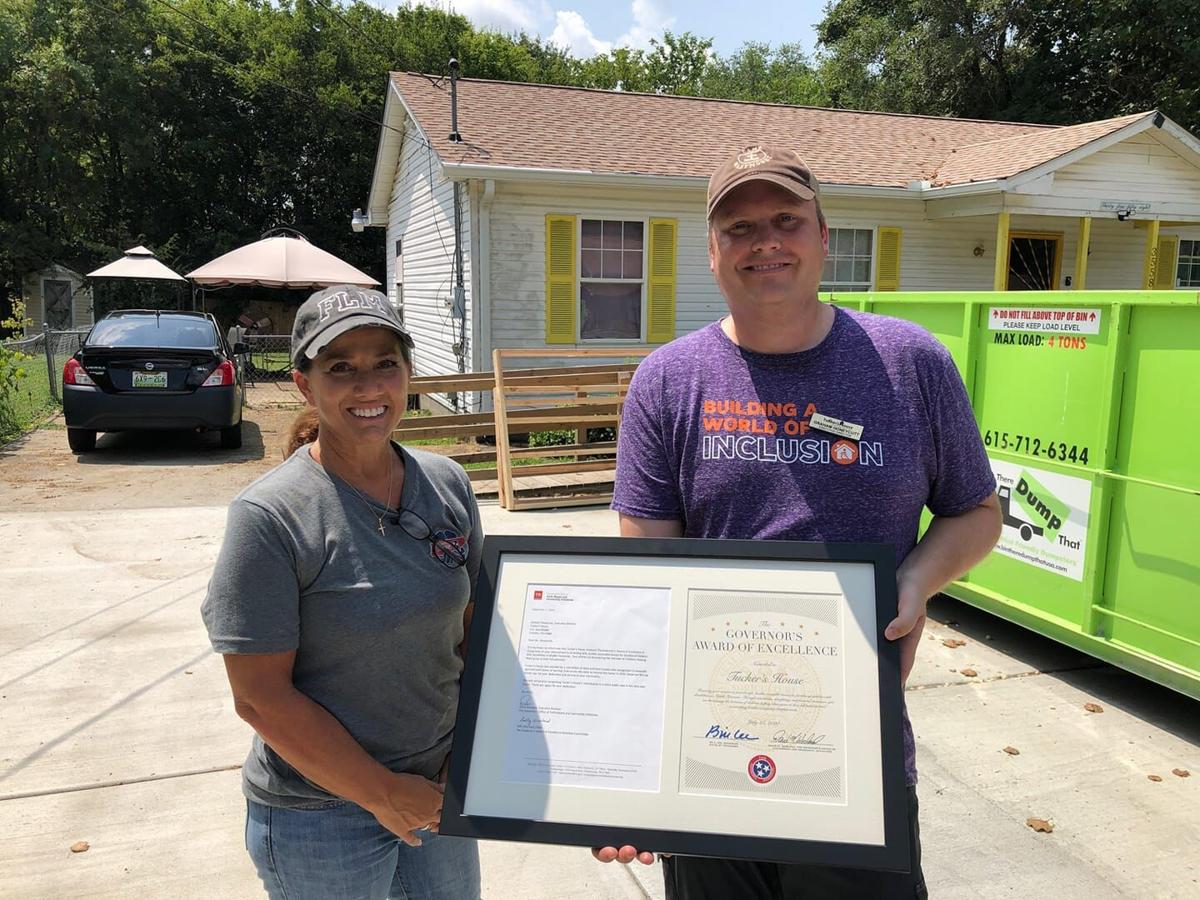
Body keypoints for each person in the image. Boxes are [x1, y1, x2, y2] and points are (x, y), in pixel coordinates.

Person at [599, 146, 1003, 899]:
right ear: (712, 253)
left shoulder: (910, 360)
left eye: (786, 220)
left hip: (855, 756)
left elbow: (976, 512)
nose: (765, 242)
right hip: (708, 757)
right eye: (740, 227)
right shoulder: (668, 381)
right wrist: (625, 770)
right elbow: (648, 579)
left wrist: (916, 580)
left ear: (823, 235)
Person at [202, 285, 483, 900]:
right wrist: (383, 793)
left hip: (439, 788)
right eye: (340, 368)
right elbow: (259, 697)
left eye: (385, 363)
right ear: (305, 385)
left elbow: (475, 629)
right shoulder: (271, 517)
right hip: (319, 815)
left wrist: (464, 755)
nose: (368, 386)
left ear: (408, 372)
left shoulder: (447, 485)